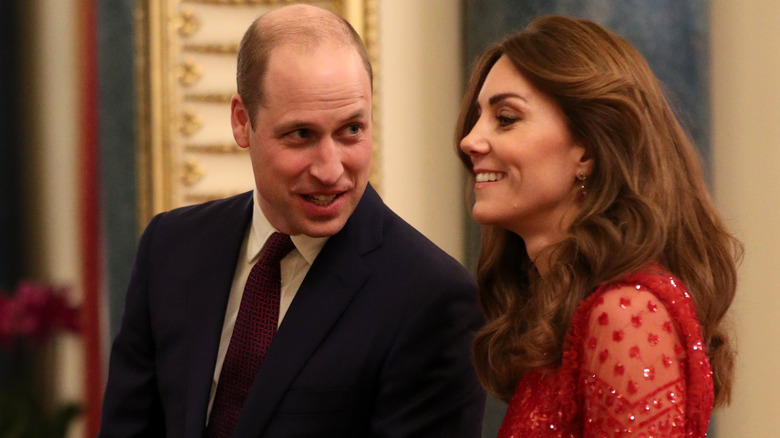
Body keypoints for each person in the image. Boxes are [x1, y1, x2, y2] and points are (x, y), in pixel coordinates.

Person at [99, 4, 485, 437]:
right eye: (301, 135)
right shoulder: (171, 247)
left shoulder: (432, 299)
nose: (330, 168)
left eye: (351, 130)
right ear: (243, 122)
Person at [456, 15, 741, 437]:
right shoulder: (570, 311)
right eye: (479, 117)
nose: (470, 141)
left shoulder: (627, 313)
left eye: (507, 118)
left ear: (587, 149)